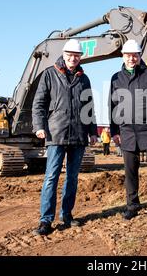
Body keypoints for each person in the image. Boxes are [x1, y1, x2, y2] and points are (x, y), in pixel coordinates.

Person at [32, 39, 98, 235]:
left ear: (80, 58)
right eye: (69, 55)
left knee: (72, 178)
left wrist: (93, 131)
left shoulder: (84, 79)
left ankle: (67, 215)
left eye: (76, 56)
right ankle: (46, 220)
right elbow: (39, 104)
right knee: (51, 177)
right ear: (63, 54)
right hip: (56, 133)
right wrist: (39, 126)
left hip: (78, 135)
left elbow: (89, 107)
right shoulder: (49, 74)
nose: (72, 58)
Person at [109, 39, 147, 222]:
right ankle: (132, 206)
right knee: (130, 172)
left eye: (134, 55)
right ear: (123, 56)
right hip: (127, 132)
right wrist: (114, 131)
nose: (131, 58)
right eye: (128, 55)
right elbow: (112, 106)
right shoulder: (116, 78)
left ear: (139, 56)